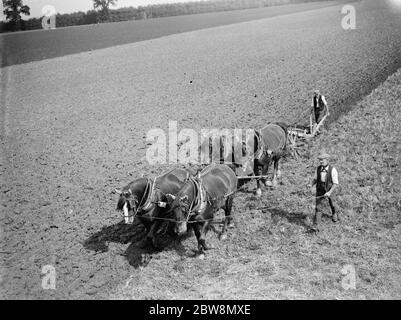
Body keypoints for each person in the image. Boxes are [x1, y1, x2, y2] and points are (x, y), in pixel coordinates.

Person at [310, 151, 339, 232]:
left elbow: (335, 183)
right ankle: (316, 226)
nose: (320, 161)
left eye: (322, 160)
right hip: (320, 188)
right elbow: (315, 179)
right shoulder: (318, 168)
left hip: (330, 188)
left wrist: (329, 192)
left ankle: (334, 213)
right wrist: (311, 185)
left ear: (327, 160)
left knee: (332, 203)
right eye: (320, 160)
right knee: (318, 207)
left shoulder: (333, 170)